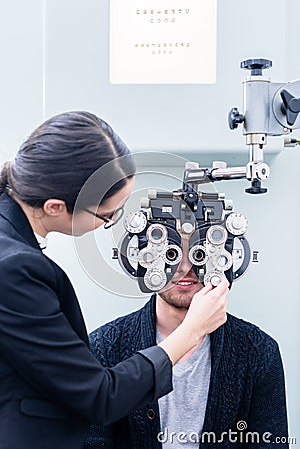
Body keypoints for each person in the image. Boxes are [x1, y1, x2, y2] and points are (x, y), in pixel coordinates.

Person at [0, 111, 229, 449]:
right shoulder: (15, 269)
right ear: (53, 207)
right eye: (107, 215)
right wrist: (191, 332)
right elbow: (100, 396)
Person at [85, 237, 289, 448]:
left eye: (199, 253)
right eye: (170, 253)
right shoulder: (104, 347)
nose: (185, 267)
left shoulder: (259, 352)